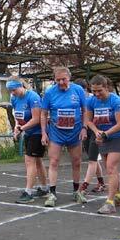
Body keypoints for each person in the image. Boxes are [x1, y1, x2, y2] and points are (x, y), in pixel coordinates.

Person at [40, 67, 88, 207]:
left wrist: (84, 128)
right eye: (58, 80)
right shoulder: (49, 92)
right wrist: (44, 132)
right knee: (54, 161)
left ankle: (76, 191)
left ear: (69, 78)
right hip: (56, 132)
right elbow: (43, 113)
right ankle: (52, 192)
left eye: (64, 79)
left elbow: (85, 111)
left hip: (75, 131)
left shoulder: (78, 90)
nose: (61, 82)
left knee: (76, 161)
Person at [83, 75, 120, 215]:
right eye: (94, 91)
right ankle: (118, 195)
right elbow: (88, 121)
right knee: (110, 168)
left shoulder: (115, 100)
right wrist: (97, 132)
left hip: (118, 137)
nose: (97, 94)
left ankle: (110, 202)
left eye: (100, 91)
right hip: (102, 137)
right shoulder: (91, 101)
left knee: (111, 167)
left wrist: (105, 134)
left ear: (107, 87)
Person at [7, 76, 48, 203]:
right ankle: (44, 187)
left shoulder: (33, 97)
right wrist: (16, 127)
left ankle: (28, 192)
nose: (12, 93)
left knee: (29, 161)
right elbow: (17, 117)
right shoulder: (14, 99)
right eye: (10, 91)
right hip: (28, 132)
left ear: (21, 86)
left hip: (37, 132)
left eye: (14, 89)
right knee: (37, 161)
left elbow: (36, 119)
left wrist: (22, 128)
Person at [73, 78, 105, 198]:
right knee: (94, 158)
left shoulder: (92, 98)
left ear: (85, 89)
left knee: (92, 160)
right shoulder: (76, 99)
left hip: (95, 131)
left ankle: (84, 186)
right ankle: (101, 182)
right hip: (85, 130)